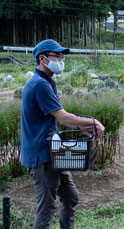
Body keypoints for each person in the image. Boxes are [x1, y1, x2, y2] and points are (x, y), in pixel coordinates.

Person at [21, 39, 105, 229]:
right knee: (46, 208)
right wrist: (92, 122)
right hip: (41, 156)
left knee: (70, 196)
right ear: (42, 59)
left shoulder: (48, 82)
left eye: (61, 56)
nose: (61, 60)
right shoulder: (39, 85)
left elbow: (56, 117)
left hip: (53, 151)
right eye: (56, 56)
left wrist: (80, 126)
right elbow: (63, 117)